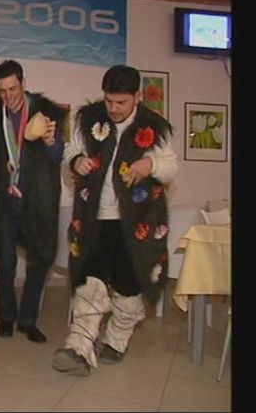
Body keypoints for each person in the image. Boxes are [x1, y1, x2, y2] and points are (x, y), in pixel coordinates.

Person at [52, 65, 178, 376]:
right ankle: (78, 348)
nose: (114, 108)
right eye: (109, 101)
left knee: (129, 287)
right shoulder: (88, 119)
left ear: (138, 96)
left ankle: (116, 340)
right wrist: (76, 160)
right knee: (89, 282)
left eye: (121, 102)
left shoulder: (155, 127)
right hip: (94, 219)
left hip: (136, 224)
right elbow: (70, 149)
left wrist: (150, 163)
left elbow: (170, 166)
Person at [0, 59, 66, 343]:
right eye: (3, 90)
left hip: (37, 199)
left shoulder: (48, 113)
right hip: (5, 201)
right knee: (5, 262)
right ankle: (6, 317)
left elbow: (57, 157)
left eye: (13, 89)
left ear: (24, 84)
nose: (9, 96)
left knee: (39, 260)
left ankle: (28, 321)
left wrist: (50, 142)